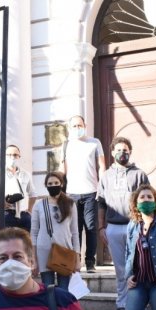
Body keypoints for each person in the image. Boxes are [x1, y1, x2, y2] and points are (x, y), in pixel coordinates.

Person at [97, 136, 149, 310]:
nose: (122, 153)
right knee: (120, 270)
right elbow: (101, 203)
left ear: (130, 152)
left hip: (135, 226)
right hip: (113, 228)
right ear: (112, 153)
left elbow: (147, 199)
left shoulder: (139, 174)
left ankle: (141, 306)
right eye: (118, 150)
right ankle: (122, 306)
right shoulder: (106, 176)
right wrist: (101, 227)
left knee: (139, 267)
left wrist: (146, 225)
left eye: (125, 150)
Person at [62, 115, 106, 273]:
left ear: (85, 125)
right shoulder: (66, 145)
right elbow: (63, 170)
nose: (77, 128)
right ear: (70, 128)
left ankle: (90, 262)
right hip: (71, 193)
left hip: (91, 192)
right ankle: (76, 261)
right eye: (74, 126)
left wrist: (102, 186)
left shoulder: (94, 142)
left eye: (79, 125)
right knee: (75, 228)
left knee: (91, 227)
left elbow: (102, 165)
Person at [30, 171, 80, 290]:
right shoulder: (39, 205)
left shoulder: (70, 204)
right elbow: (34, 233)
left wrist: (77, 259)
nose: (53, 185)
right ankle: (51, 309)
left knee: (64, 290)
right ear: (46, 186)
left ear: (61, 184)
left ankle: (61, 309)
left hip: (65, 251)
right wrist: (34, 259)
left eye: (56, 183)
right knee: (48, 289)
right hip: (44, 252)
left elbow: (75, 232)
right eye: (50, 183)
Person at [4, 144, 36, 231]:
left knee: (26, 242)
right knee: (8, 242)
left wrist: (29, 210)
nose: (12, 157)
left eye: (15, 155)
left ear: (19, 157)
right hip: (6, 214)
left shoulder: (25, 174)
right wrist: (0, 203)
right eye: (9, 155)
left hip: (23, 214)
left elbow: (33, 194)